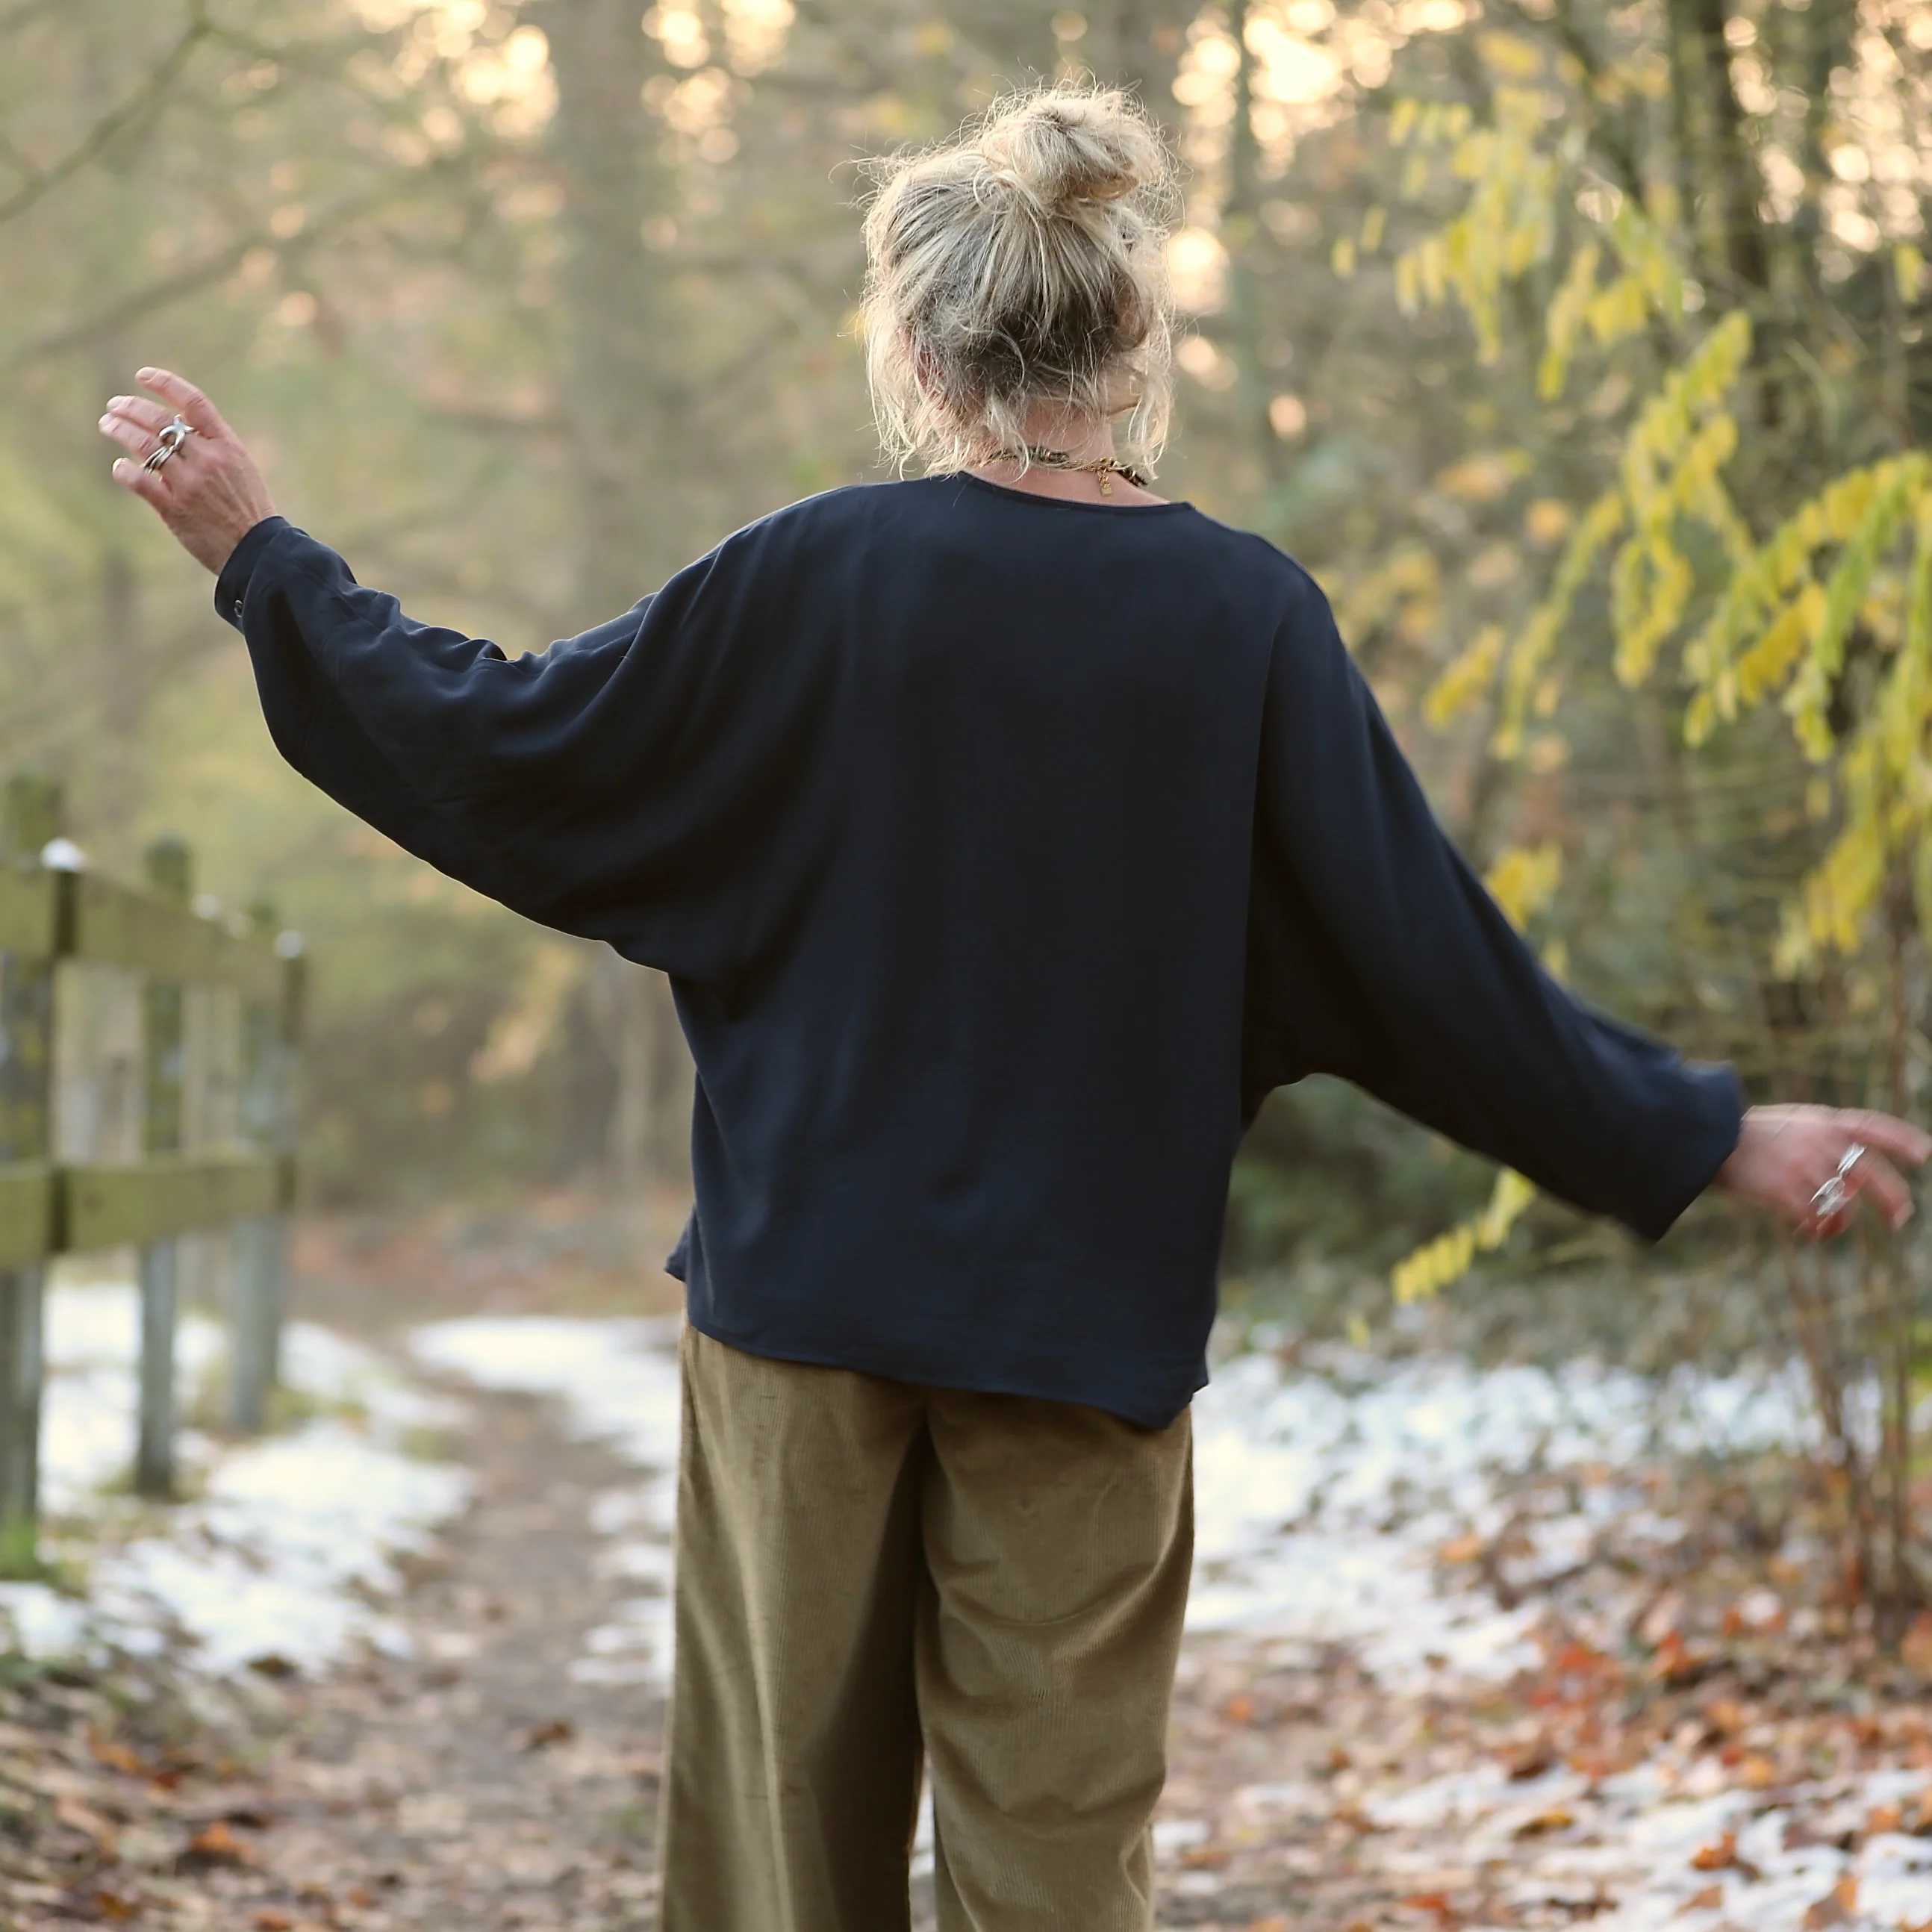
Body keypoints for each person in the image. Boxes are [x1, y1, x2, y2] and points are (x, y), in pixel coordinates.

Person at [99, 81, 1926, 1932]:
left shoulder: (808, 576)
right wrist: (1708, 1132)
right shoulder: (1243, 620)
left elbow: (502, 746)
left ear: (918, 344)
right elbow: (1430, 972)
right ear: (1135, 337)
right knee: (1055, 1882)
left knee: (774, 1877)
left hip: (800, 1320)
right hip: (1081, 1334)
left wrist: (266, 562)